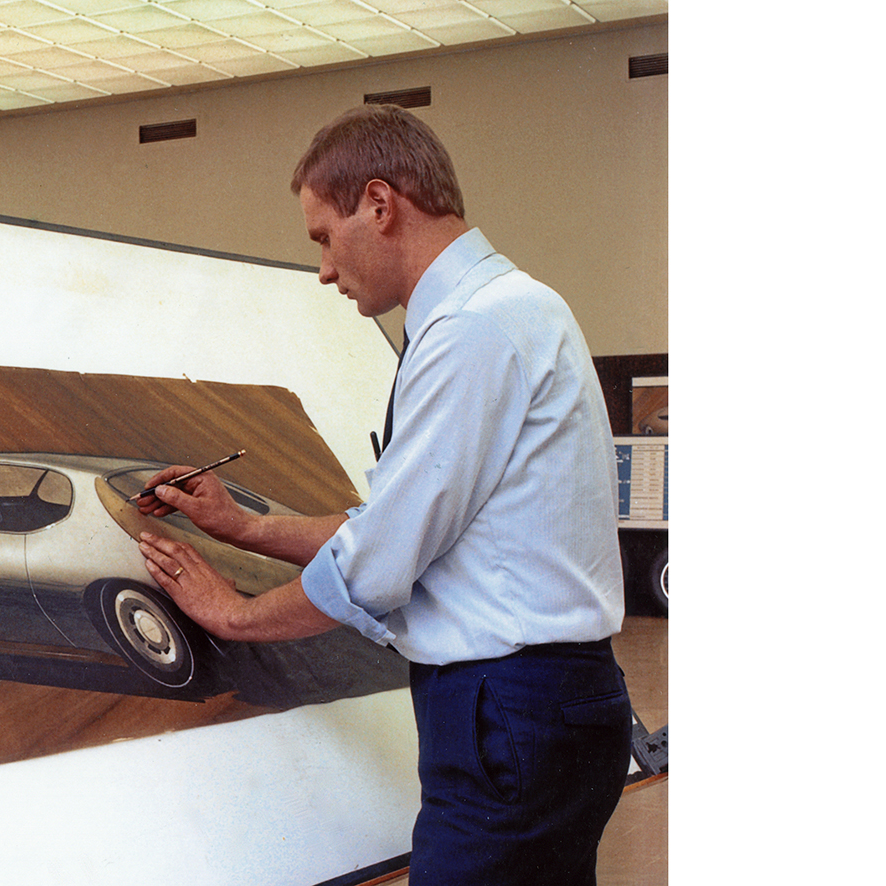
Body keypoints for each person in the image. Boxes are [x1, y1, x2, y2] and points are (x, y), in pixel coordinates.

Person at [135, 104, 632, 886]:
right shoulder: (516, 307)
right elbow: (410, 527)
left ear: (378, 204)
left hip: (504, 705)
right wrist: (241, 528)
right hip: (543, 701)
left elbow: (379, 560)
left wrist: (234, 615)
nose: (324, 270)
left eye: (322, 238)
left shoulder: (471, 330)